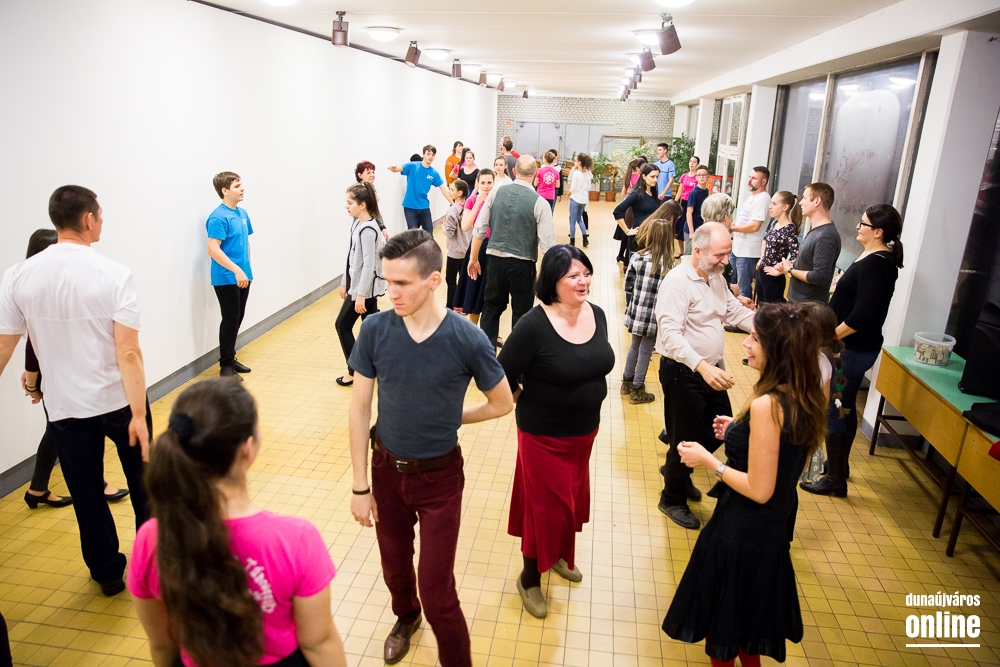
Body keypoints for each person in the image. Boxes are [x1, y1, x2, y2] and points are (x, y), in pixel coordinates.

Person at [348, 230, 513, 667]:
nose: (391, 292)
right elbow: (360, 408)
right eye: (387, 281)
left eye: (402, 283)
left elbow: (502, 403)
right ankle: (406, 617)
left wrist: (453, 417)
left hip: (440, 479)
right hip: (385, 471)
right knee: (394, 568)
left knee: (438, 591)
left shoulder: (467, 339)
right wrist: (360, 486)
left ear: (435, 280)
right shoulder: (376, 330)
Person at [129, 379, 347, 667]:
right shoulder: (295, 539)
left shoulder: (152, 539)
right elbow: (318, 643)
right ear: (247, 448)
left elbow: (161, 644)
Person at [0, 185, 151, 596]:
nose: (101, 222)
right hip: (120, 401)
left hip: (65, 408)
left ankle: (107, 574)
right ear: (88, 219)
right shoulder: (114, 274)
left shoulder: (18, 275)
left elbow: (5, 346)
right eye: (100, 215)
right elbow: (129, 352)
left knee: (86, 493)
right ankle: (153, 564)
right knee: (144, 484)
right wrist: (139, 415)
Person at [663, 302, 827, 667]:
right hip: (770, 535)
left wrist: (709, 461)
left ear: (776, 349)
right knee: (746, 632)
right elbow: (787, 460)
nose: (746, 344)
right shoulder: (804, 394)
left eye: (754, 338)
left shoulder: (768, 404)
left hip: (741, 533)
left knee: (724, 633)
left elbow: (759, 488)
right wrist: (739, 432)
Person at [498, 246, 615, 618]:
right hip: (543, 437)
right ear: (553, 281)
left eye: (586, 273)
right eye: (573, 276)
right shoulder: (533, 325)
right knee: (544, 509)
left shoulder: (597, 314)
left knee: (570, 501)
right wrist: (519, 396)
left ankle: (560, 554)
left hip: (584, 433)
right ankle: (530, 577)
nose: (583, 281)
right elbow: (500, 370)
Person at [653, 222, 756, 530]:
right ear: (697, 251)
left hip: (709, 369)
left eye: (728, 254)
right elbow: (670, 334)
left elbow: (734, 312)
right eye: (719, 255)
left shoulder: (715, 278)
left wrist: (771, 327)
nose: (726, 261)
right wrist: (702, 366)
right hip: (682, 372)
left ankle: (679, 468)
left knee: (720, 428)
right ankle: (672, 498)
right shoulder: (677, 282)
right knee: (684, 437)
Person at [800, 204, 904, 497]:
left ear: (878, 232)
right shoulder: (873, 257)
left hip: (852, 349)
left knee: (835, 409)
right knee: (844, 405)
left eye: (864, 224)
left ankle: (835, 479)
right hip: (852, 347)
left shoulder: (876, 264)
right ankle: (839, 467)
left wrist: (829, 337)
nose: (858, 227)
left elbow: (862, 315)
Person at [20, 229, 127, 510]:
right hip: (57, 373)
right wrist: (32, 380)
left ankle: (37, 488)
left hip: (58, 371)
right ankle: (95, 483)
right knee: (81, 427)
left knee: (57, 430)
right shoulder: (42, 290)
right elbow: (32, 343)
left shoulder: (42, 288)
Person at [471, 155, 556, 348]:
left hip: (495, 261)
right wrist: (546, 277)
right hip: (523, 265)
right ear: (536, 174)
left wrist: (473, 258)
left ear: (514, 171)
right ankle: (516, 361)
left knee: (491, 308)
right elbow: (548, 246)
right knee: (522, 314)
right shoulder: (540, 202)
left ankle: (486, 357)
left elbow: (479, 229)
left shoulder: (495, 193)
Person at [335, 183, 387, 388]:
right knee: (370, 332)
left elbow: (369, 264)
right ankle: (373, 369)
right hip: (357, 286)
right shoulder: (358, 224)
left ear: (362, 205)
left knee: (342, 326)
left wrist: (360, 295)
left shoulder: (368, 229)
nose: (346, 206)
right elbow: (351, 256)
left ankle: (355, 371)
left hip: (363, 289)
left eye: (350, 203)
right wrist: (344, 282)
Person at [622, 211, 677, 404]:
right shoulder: (670, 264)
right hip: (654, 315)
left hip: (636, 311)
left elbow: (627, 285)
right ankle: (638, 389)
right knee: (646, 350)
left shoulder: (637, 257)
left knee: (634, 346)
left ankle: (627, 382)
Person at [206, 172, 254, 380]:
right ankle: (225, 366)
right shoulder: (218, 217)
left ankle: (230, 357)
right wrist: (236, 270)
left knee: (237, 318)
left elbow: (245, 243)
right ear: (224, 191)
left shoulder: (242, 214)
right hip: (226, 277)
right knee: (230, 319)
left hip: (243, 276)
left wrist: (246, 269)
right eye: (236, 186)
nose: (242, 189)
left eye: (241, 185)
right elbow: (212, 248)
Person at [769, 182, 841, 304]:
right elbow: (809, 261)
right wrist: (792, 264)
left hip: (807, 307)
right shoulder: (816, 230)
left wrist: (790, 271)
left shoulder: (825, 236)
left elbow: (819, 276)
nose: (800, 203)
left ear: (817, 201)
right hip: (798, 302)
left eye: (805, 198)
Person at [453, 170, 495, 325]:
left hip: (494, 248)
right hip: (478, 247)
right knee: (474, 289)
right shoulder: (471, 201)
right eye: (482, 183)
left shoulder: (498, 200)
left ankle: (489, 331)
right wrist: (477, 204)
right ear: (478, 183)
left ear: (494, 183)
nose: (486, 186)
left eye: (489, 183)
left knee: (490, 292)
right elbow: (465, 226)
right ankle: (473, 330)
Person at [388, 145, 453, 234]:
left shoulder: (434, 173)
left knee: (429, 234)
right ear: (423, 154)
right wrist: (394, 168)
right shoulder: (413, 166)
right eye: (428, 154)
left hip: (424, 207)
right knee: (413, 235)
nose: (430, 157)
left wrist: (453, 204)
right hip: (410, 206)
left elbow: (444, 190)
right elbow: (400, 168)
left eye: (433, 155)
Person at [729, 166, 772, 300]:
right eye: (749, 177)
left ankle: (746, 312)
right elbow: (742, 219)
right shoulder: (752, 197)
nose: (749, 180)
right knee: (733, 285)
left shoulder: (763, 199)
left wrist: (732, 229)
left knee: (743, 289)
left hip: (748, 252)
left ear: (763, 181)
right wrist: (731, 224)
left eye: (754, 178)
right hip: (737, 249)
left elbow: (755, 226)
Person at [756, 191, 802, 304]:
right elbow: (765, 239)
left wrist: (781, 271)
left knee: (772, 311)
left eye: (774, 204)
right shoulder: (774, 223)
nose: (770, 207)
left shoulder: (789, 229)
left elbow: (796, 255)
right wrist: (762, 257)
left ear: (785, 207)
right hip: (762, 272)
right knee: (762, 308)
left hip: (774, 278)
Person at [613, 163, 661, 264]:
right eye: (652, 176)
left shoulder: (653, 192)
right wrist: (627, 231)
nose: (655, 180)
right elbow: (617, 211)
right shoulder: (637, 193)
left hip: (650, 237)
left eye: (657, 177)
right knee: (635, 269)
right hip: (638, 238)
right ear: (644, 176)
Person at [443, 179, 471, 310]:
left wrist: (443, 228)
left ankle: (450, 306)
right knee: (464, 280)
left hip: (454, 252)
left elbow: (449, 233)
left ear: (459, 193)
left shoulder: (453, 210)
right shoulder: (470, 208)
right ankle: (463, 305)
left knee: (451, 280)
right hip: (467, 250)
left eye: (452, 189)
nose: (449, 191)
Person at [617, 156, 648, 263]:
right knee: (631, 234)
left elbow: (623, 193)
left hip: (627, 207)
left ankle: (621, 256)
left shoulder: (629, 176)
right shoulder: (639, 179)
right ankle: (627, 259)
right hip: (632, 209)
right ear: (638, 168)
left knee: (626, 234)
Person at [355, 160, 389, 240]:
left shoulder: (371, 189)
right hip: (363, 226)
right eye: (368, 173)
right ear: (360, 175)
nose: (372, 175)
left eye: (373, 172)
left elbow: (375, 210)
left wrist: (382, 227)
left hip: (370, 225)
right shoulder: (358, 191)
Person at [567, 153, 593, 247]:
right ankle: (585, 238)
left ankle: (572, 241)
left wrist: (569, 192)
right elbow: (589, 187)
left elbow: (573, 187)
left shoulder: (576, 173)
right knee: (579, 219)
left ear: (580, 162)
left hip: (575, 199)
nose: (574, 162)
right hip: (583, 200)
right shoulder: (587, 173)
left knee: (572, 221)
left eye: (575, 161)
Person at [684, 164, 711, 250]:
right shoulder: (694, 193)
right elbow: (689, 213)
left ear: (708, 177)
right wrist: (691, 231)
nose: (702, 177)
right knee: (689, 253)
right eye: (699, 175)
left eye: (704, 175)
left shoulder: (706, 191)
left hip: (701, 228)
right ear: (696, 177)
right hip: (691, 228)